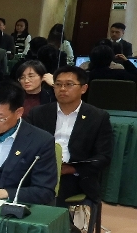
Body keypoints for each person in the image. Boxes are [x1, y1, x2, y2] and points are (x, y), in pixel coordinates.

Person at [27, 66, 113, 206]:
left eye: (69, 84)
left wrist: (70, 169)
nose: (62, 89)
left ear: (83, 88)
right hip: (40, 170)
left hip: (74, 176)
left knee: (53, 198)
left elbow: (103, 156)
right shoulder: (38, 113)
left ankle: (61, 220)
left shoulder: (98, 117)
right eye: (58, 84)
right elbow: (26, 145)